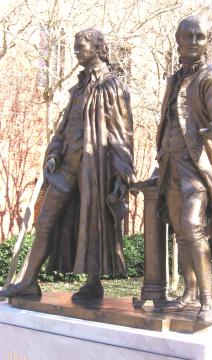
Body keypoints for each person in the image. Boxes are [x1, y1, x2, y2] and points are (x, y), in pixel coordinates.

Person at [0, 28, 135, 300]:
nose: (76, 50)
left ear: (98, 48)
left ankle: (93, 282)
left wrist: (123, 175)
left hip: (94, 167)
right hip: (66, 168)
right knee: (45, 221)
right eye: (74, 45)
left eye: (81, 46)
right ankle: (28, 281)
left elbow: (122, 134)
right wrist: (53, 153)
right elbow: (63, 128)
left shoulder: (112, 85)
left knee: (94, 222)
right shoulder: (79, 87)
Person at [156, 16, 212, 322]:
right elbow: (166, 121)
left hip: (197, 165)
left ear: (207, 42)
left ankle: (208, 302)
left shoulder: (210, 77)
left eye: (200, 37)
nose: (193, 41)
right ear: (178, 40)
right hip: (170, 164)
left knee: (192, 225)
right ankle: (189, 293)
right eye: (188, 36)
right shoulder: (173, 79)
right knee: (181, 231)